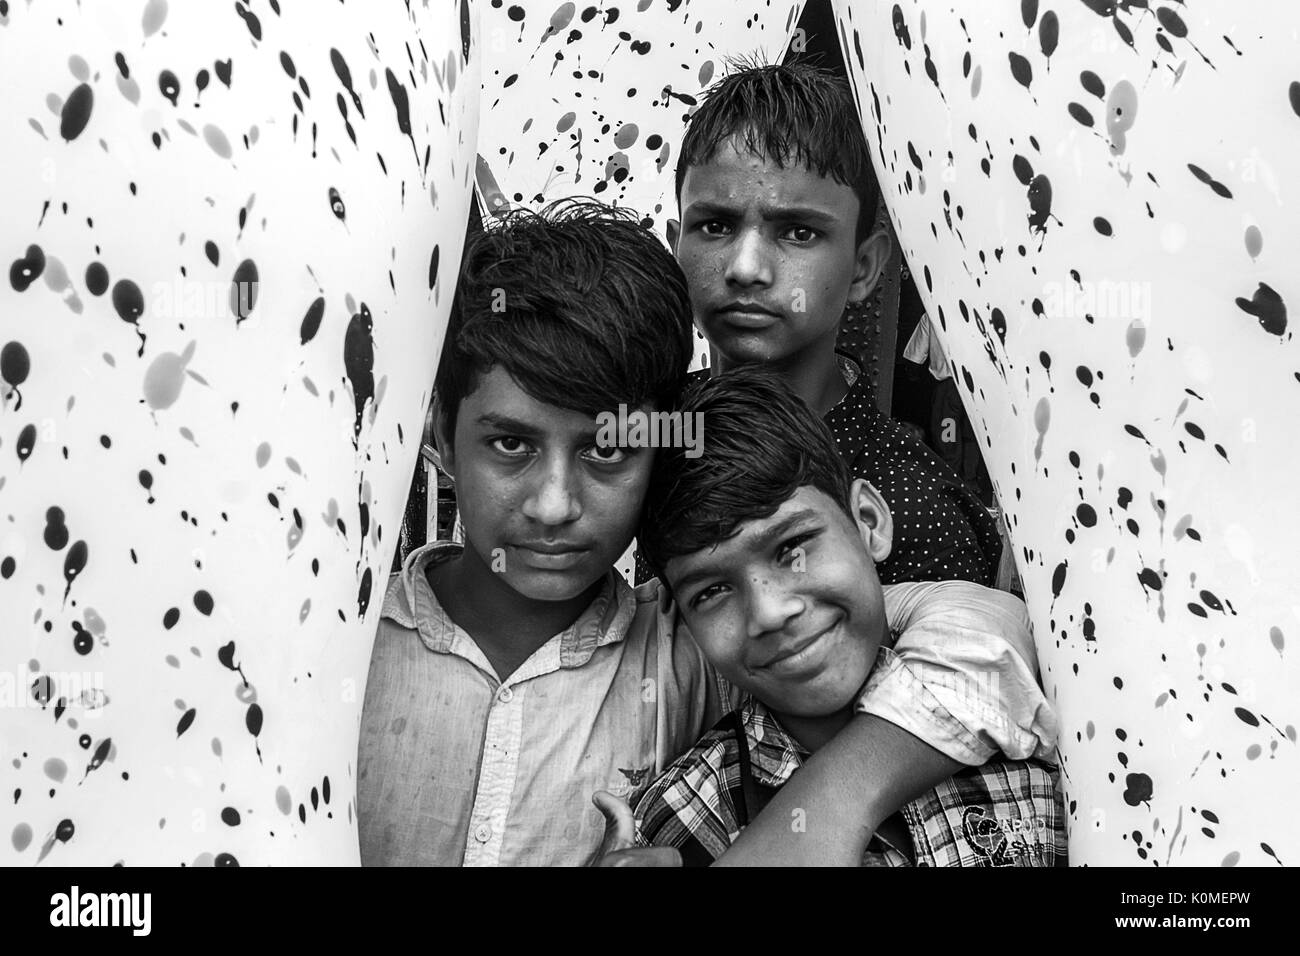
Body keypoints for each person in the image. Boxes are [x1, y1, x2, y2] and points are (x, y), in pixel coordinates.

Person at [358, 199, 1055, 867]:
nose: (552, 505)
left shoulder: (690, 647)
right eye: (510, 444)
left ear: (656, 454)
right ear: (439, 438)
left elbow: (983, 630)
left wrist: (834, 805)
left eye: (607, 451)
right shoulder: (343, 647)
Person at [631, 367, 1064, 866]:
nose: (770, 612)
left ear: (870, 523)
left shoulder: (1030, 727)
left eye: (792, 547)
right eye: (712, 592)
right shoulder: (686, 817)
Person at [665, 60, 1003, 585]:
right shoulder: (640, 448)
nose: (746, 268)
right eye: (715, 226)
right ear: (674, 245)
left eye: (798, 232)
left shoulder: (916, 508)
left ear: (863, 268)